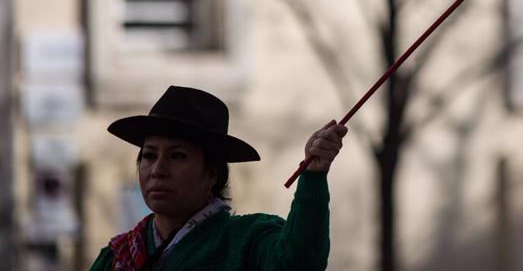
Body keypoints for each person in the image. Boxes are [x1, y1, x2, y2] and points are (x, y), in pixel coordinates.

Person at [88, 85, 348, 270]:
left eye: (177, 156)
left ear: (212, 172)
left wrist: (313, 177)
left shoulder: (247, 241)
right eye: (149, 156)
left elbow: (299, 263)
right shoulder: (116, 257)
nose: (158, 169)